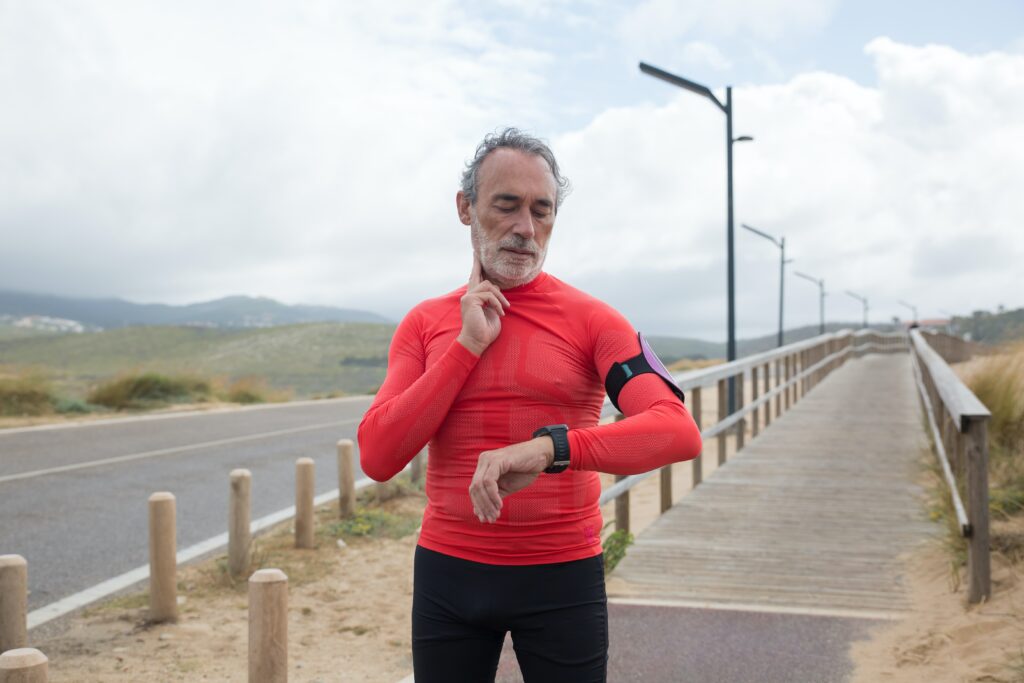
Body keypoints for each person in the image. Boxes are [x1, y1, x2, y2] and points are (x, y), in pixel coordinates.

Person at [357, 127, 702, 682]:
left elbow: (676, 431)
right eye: (507, 205)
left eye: (542, 210)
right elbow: (377, 456)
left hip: (562, 575)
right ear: (466, 207)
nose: (526, 228)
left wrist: (550, 448)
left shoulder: (594, 320)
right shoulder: (425, 323)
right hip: (450, 572)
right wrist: (467, 346)